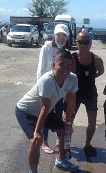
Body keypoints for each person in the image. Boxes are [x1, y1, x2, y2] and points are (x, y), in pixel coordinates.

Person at [15, 49, 79, 173]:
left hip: (46, 110)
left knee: (64, 131)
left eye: (69, 66)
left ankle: (62, 161)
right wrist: (37, 132)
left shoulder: (73, 78)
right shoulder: (47, 80)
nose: (65, 69)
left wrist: (68, 123)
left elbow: (71, 103)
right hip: (26, 111)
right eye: (61, 64)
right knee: (35, 141)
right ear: (53, 65)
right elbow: (44, 107)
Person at [36, 23, 70, 154]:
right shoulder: (47, 47)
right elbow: (41, 67)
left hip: (60, 90)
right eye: (59, 35)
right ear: (54, 35)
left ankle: (58, 138)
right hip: (47, 88)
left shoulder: (66, 52)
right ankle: (44, 141)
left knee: (60, 113)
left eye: (64, 35)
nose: (61, 38)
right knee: (46, 114)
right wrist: (40, 87)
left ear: (67, 38)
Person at [71, 31, 104, 157]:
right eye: (81, 42)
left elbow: (101, 71)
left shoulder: (96, 59)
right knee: (68, 120)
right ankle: (65, 142)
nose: (84, 45)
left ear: (90, 43)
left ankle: (87, 143)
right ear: (76, 43)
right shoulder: (72, 58)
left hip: (90, 93)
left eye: (87, 42)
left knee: (92, 121)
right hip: (75, 93)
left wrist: (90, 77)